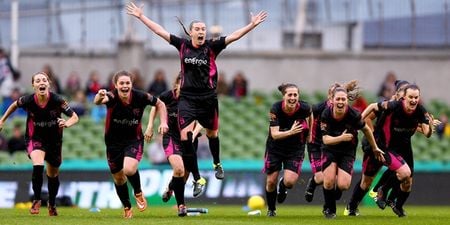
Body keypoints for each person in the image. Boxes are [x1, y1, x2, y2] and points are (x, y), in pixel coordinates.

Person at [127, 2, 267, 180]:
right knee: (186, 136)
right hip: (187, 98)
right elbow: (159, 31)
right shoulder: (182, 45)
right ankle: (197, 178)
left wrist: (252, 25)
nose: (201, 31)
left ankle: (217, 163)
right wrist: (141, 16)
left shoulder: (211, 46)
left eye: (203, 29)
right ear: (191, 32)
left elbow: (234, 36)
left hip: (208, 98)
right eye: (198, 29)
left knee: (212, 134)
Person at [0, 72, 79, 216]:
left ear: (48, 84)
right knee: (38, 164)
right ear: (33, 85)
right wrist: (2, 120)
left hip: (54, 141)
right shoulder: (28, 100)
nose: (41, 82)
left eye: (44, 80)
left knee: (53, 174)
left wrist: (66, 123)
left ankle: (52, 203)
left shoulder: (57, 100)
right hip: (35, 138)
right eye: (38, 80)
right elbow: (14, 105)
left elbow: (75, 117)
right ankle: (36, 200)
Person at [93, 70, 168, 219]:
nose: (125, 86)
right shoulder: (112, 96)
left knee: (128, 169)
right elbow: (98, 101)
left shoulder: (140, 96)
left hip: (133, 140)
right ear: (116, 85)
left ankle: (138, 192)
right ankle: (127, 207)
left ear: (131, 84)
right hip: (113, 144)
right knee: (119, 178)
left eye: (127, 83)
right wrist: (99, 96)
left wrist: (163, 122)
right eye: (121, 83)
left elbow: (160, 103)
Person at [353, 84, 434, 217]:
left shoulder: (420, 110)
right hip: (388, 147)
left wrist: (430, 126)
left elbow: (427, 133)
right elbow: (373, 106)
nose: (413, 100)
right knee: (403, 173)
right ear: (404, 98)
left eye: (416, 97)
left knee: (408, 182)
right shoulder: (394, 106)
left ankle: (398, 207)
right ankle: (381, 191)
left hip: (405, 147)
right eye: (411, 97)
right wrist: (358, 121)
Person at [344, 80, 410, 216]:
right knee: (365, 182)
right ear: (397, 94)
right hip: (375, 148)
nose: (405, 99)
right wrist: (373, 137)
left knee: (404, 171)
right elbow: (368, 116)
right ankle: (351, 207)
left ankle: (380, 190)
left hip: (389, 150)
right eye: (404, 96)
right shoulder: (387, 105)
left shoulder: (405, 109)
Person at [320, 86, 384, 219]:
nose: (341, 102)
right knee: (328, 181)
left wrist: (375, 147)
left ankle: (334, 194)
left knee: (343, 185)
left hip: (347, 151)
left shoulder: (353, 115)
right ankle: (330, 210)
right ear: (332, 100)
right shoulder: (326, 114)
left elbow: (366, 129)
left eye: (343, 99)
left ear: (347, 101)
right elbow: (325, 140)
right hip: (329, 149)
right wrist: (341, 138)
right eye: (338, 99)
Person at [147, 75, 206, 217]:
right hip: (172, 137)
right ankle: (181, 206)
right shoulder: (167, 96)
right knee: (178, 169)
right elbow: (155, 107)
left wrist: (194, 132)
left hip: (190, 140)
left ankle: (171, 187)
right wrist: (150, 126)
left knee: (184, 175)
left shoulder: (195, 99)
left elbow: (203, 120)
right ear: (176, 85)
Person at [304, 81, 359, 203]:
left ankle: (336, 192)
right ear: (330, 96)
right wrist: (308, 132)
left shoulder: (344, 109)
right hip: (316, 144)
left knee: (337, 180)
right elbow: (307, 114)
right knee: (321, 178)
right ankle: (313, 183)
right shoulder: (319, 108)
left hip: (333, 144)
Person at [263, 83, 313, 217]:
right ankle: (272, 209)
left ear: (298, 96)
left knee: (290, 182)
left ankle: (283, 186)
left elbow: (310, 114)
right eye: (289, 95)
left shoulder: (304, 107)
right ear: (284, 96)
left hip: (295, 149)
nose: (292, 97)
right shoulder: (276, 108)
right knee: (270, 181)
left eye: (295, 95)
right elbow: (274, 134)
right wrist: (291, 132)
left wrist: (310, 134)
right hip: (275, 148)